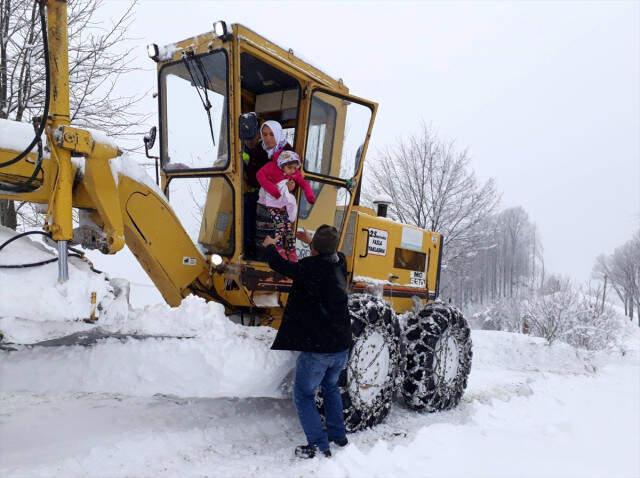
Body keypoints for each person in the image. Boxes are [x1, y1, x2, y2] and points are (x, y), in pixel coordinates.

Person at [263, 225, 352, 459]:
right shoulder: (341, 262)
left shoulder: (309, 268)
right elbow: (330, 251)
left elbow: (280, 265)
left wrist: (270, 245)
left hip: (319, 350)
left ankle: (319, 445)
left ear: (314, 249)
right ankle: (338, 436)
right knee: (331, 387)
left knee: (303, 394)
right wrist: (311, 239)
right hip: (342, 347)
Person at [242, 119, 293, 258]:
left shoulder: (287, 151)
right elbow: (253, 176)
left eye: (271, 134)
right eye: (264, 134)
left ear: (278, 133)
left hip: (278, 199)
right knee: (245, 204)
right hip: (262, 195)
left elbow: (292, 178)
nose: (268, 138)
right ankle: (251, 250)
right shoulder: (260, 149)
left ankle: (272, 258)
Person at [257, 150, 315, 262]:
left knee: (288, 227)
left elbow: (303, 183)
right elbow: (260, 175)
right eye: (290, 167)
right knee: (279, 226)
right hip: (272, 204)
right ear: (282, 165)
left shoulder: (293, 173)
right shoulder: (272, 169)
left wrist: (309, 195)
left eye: (295, 168)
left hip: (283, 205)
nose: (293, 171)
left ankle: (291, 250)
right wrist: (274, 190)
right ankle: (279, 248)